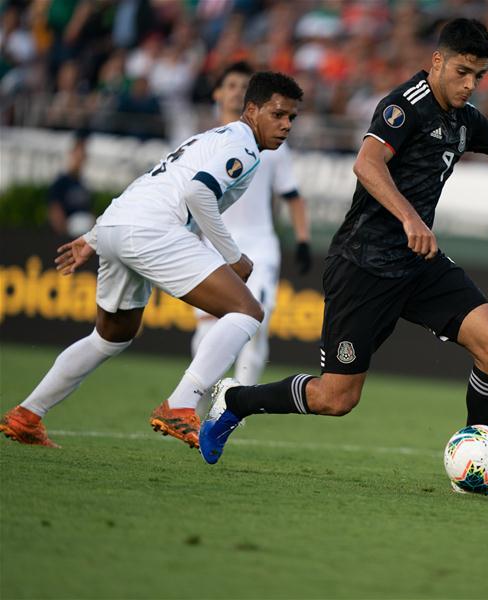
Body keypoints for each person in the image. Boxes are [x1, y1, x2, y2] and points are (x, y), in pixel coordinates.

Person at [199, 18, 488, 501]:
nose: (470, 84)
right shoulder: (405, 105)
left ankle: (475, 472)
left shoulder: (465, 120)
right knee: (336, 398)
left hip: (419, 262)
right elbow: (367, 163)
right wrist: (409, 218)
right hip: (364, 264)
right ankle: (237, 400)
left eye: (479, 76)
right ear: (437, 61)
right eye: (462, 72)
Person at [0, 72, 304, 450]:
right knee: (247, 311)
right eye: (278, 114)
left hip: (119, 224)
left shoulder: (209, 138)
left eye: (291, 117)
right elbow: (197, 193)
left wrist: (96, 236)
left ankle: (27, 415)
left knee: (110, 337)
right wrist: (233, 256)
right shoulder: (242, 145)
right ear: (252, 110)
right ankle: (181, 405)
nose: (286, 125)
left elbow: (152, 181)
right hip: (153, 230)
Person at [192, 62, 312, 386]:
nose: (236, 92)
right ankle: (192, 405)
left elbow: (293, 196)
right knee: (206, 332)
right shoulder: (205, 142)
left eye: (242, 87)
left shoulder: (273, 145)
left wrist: (303, 240)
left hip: (259, 245)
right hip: (213, 245)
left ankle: (234, 407)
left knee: (256, 326)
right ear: (217, 94)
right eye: (230, 85)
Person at [47, 130, 95, 237]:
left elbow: (89, 210)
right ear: (72, 154)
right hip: (69, 234)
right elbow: (55, 210)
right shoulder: (62, 182)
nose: (80, 160)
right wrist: (62, 234)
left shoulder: (83, 184)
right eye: (78, 156)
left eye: (83, 156)